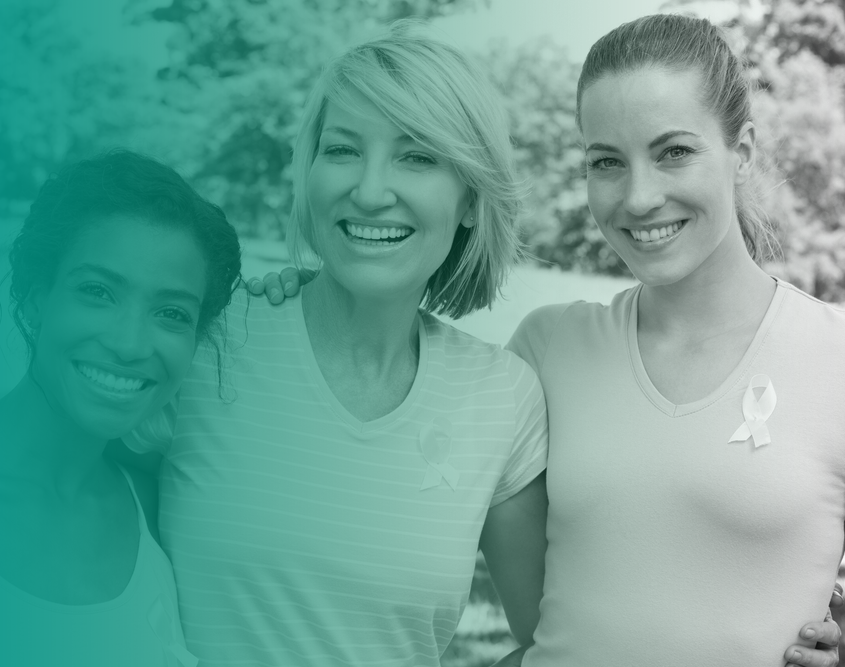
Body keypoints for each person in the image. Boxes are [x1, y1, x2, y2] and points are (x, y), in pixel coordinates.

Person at [253, 14, 845, 667]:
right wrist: (306, 302)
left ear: (744, 150)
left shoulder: (833, 354)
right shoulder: (546, 350)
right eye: (606, 162)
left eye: (673, 151)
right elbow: (374, 489)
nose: (639, 196)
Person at [125, 24, 549, 666]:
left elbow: (559, 639)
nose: (372, 191)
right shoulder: (208, 341)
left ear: (471, 198)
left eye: (418, 156)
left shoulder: (501, 397)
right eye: (344, 150)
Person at [0, 149, 241, 666]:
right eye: (98, 291)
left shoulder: (153, 510)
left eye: (171, 313)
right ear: (35, 298)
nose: (130, 343)